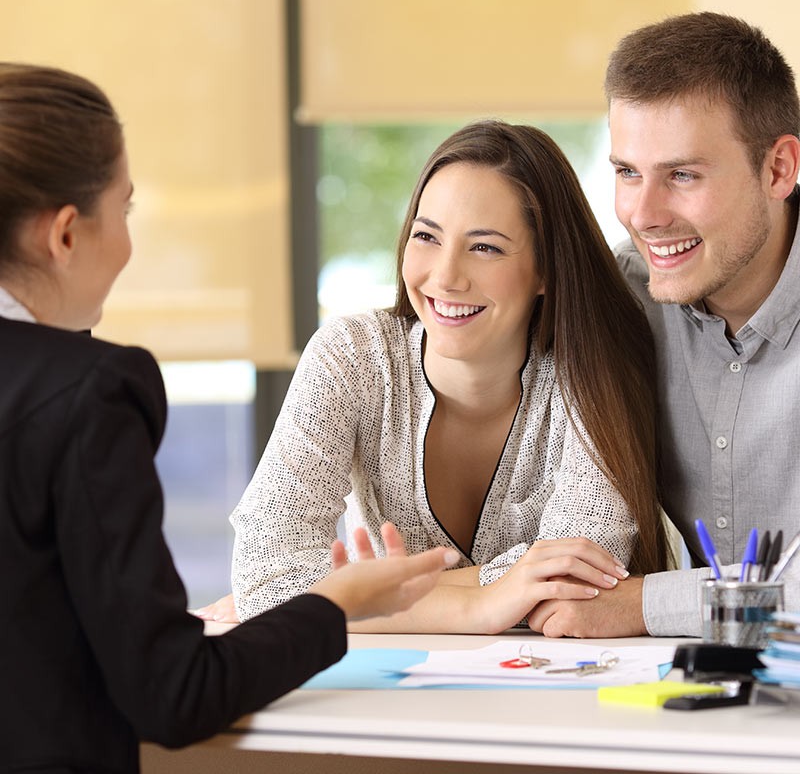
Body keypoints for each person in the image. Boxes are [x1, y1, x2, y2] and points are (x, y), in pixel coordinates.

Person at [0, 62, 463, 774]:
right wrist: (336, 603)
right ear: (63, 235)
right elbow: (175, 693)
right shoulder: (84, 394)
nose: (127, 242)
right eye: (123, 211)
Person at [199, 120, 670, 632]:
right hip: (391, 696)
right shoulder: (353, 357)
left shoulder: (591, 374)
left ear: (545, 271)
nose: (445, 276)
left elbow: (581, 581)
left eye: (484, 247)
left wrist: (353, 593)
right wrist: (477, 603)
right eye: (427, 236)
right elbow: (266, 577)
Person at [528, 12, 800, 639]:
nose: (643, 215)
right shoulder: (622, 303)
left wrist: (645, 604)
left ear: (779, 169)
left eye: (682, 175)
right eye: (627, 172)